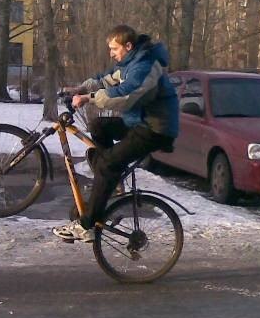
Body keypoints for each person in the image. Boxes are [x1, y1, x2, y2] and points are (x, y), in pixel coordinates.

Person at [52, 24, 179, 242]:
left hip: (155, 128)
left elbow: (124, 95)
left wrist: (88, 99)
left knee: (107, 164)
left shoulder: (145, 66)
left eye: (114, 49)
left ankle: (87, 226)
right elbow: (105, 79)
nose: (111, 54)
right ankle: (110, 180)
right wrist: (79, 89)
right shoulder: (130, 63)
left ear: (128, 46)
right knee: (98, 126)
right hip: (138, 122)